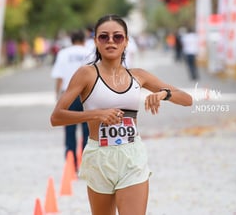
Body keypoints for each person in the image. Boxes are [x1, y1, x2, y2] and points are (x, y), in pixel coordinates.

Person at [50, 14, 193, 215]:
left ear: (126, 42)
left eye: (117, 37)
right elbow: (56, 117)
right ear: (95, 42)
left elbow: (187, 99)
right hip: (99, 155)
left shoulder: (139, 75)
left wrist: (163, 94)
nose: (110, 41)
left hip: (132, 156)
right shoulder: (86, 74)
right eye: (104, 37)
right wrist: (95, 115)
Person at [50, 30, 90, 170]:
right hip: (86, 95)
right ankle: (86, 164)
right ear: (84, 40)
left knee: (69, 130)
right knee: (88, 130)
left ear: (71, 40)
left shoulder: (63, 53)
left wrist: (57, 95)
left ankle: (71, 163)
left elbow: (59, 76)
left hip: (68, 94)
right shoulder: (89, 52)